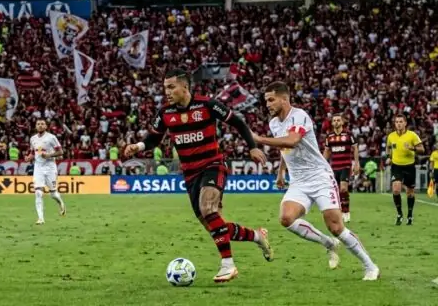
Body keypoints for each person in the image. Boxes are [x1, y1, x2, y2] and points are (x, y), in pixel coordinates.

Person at [124, 69, 273, 283]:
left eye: (171, 87)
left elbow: (238, 122)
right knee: (214, 224)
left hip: (213, 165)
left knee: (208, 209)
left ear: (185, 87)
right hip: (190, 174)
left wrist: (251, 147)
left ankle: (228, 265)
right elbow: (152, 140)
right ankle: (258, 236)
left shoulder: (207, 105)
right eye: (165, 87)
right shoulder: (165, 113)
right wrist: (137, 146)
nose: (167, 92)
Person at [254, 82, 379, 281]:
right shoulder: (274, 124)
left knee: (336, 227)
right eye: (265, 100)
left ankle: (370, 266)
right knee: (286, 218)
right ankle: (328, 243)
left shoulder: (299, 116)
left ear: (284, 99)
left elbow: (292, 140)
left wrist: (259, 139)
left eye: (271, 99)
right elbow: (285, 150)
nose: (267, 104)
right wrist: (281, 174)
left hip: (320, 177)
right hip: (298, 181)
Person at [385, 114, 425, 225]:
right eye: (397, 122)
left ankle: (410, 215)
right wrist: (389, 157)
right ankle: (399, 214)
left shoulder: (412, 135)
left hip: (409, 166)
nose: (398, 124)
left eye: (401, 122)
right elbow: (388, 148)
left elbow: (422, 149)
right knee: (396, 189)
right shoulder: (391, 136)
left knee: (410, 193)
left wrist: (412, 148)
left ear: (405, 123)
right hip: (396, 166)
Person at [25, 119, 66, 225]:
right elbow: (32, 152)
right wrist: (29, 157)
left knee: (53, 194)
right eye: (38, 124)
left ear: (46, 126)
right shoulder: (32, 139)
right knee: (38, 192)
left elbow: (61, 152)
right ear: (35, 126)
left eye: (42, 124)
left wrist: (48, 155)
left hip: (50, 167)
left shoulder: (51, 138)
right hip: (38, 167)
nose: (40, 125)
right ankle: (41, 218)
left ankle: (60, 202)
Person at [322, 114, 359, 222]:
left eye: (338, 120)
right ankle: (339, 211)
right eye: (334, 120)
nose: (336, 122)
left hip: (346, 165)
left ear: (342, 122)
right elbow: (327, 151)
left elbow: (355, 148)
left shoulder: (348, 134)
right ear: (332, 123)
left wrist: (356, 163)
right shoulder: (329, 136)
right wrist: (323, 165)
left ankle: (346, 211)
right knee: (336, 191)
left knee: (343, 188)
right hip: (334, 167)